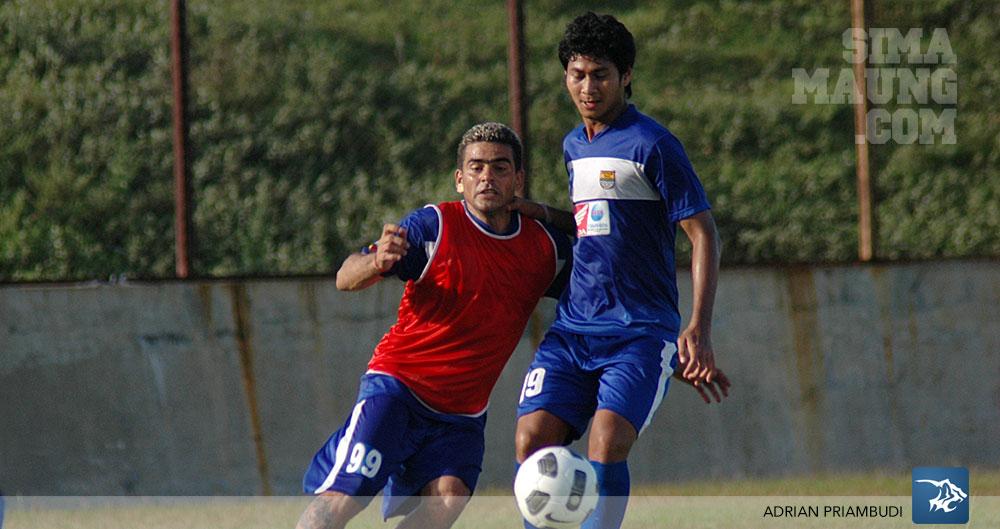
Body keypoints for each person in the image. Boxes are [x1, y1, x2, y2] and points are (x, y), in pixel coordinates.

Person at [295, 122, 574, 529]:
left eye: (499, 168)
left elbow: (599, 254)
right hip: (398, 392)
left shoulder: (545, 247)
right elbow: (345, 277)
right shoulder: (434, 227)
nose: (487, 178)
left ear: (518, 179)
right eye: (476, 168)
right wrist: (376, 261)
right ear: (459, 180)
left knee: (446, 504)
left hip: (462, 414)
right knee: (342, 499)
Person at [512, 12, 724, 529]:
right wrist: (542, 213)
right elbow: (594, 224)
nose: (588, 87)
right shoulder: (573, 145)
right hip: (573, 327)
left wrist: (696, 325)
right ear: (565, 76)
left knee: (607, 441)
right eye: (578, 74)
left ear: (626, 75)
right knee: (531, 440)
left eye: (600, 74)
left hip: (638, 331)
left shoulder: (652, 145)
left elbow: (702, 233)